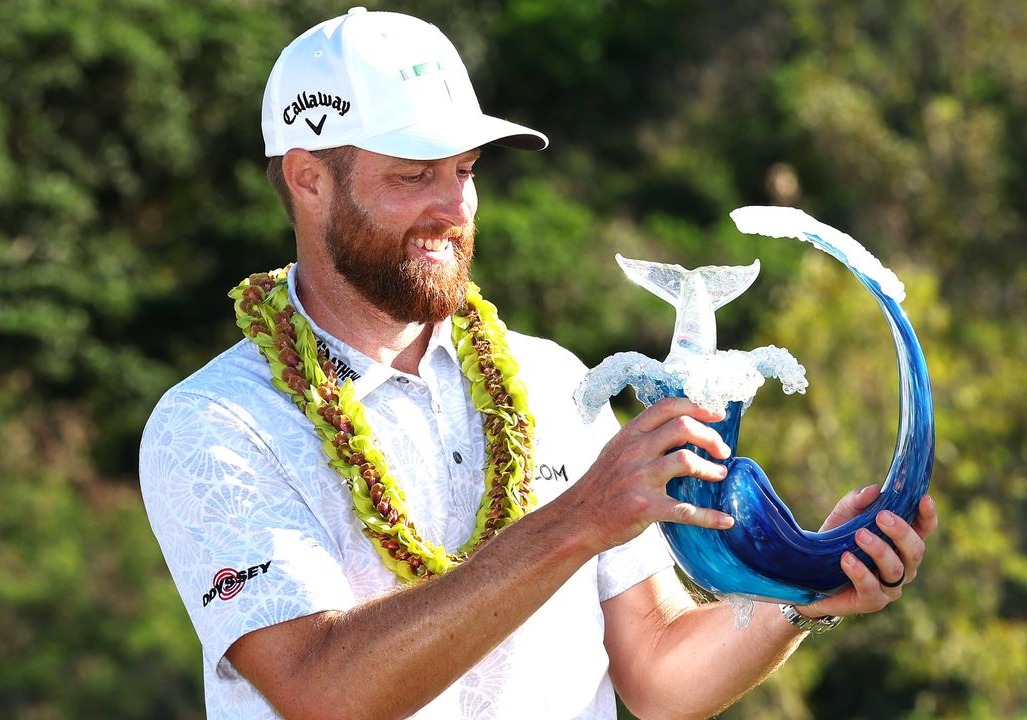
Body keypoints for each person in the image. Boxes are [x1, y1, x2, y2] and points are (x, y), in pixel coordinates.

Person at [139, 7, 938, 719]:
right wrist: (580, 518)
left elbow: (658, 675)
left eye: (465, 172)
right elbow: (324, 694)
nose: (452, 209)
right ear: (309, 180)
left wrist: (802, 591)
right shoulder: (214, 424)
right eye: (414, 175)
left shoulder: (553, 380)